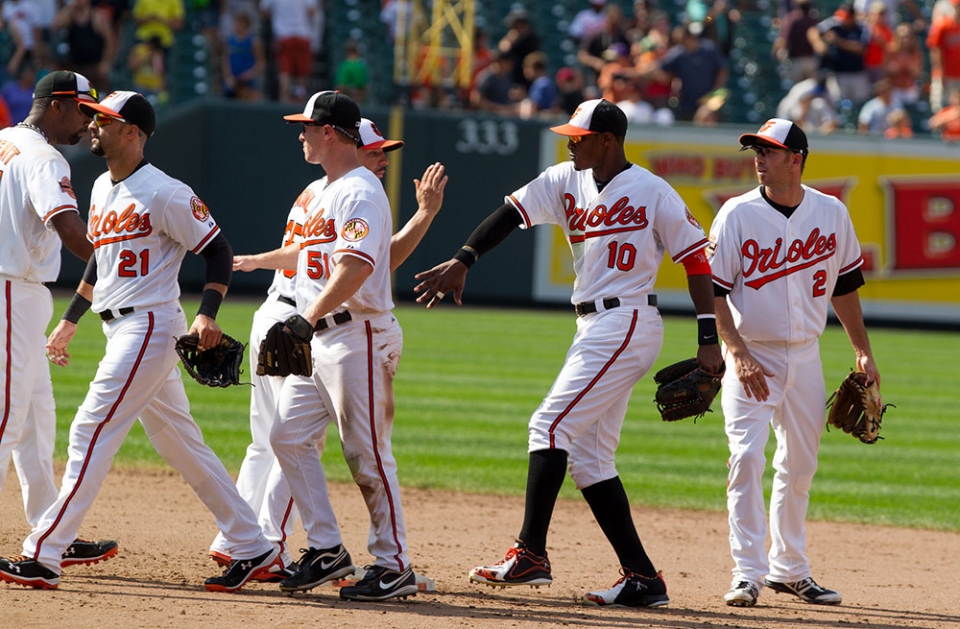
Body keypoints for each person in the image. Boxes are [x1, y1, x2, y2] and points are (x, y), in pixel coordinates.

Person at [413, 99, 723, 607]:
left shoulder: (653, 191)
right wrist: (464, 258)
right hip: (593, 324)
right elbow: (509, 214)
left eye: (578, 137)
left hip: (626, 319)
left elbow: (694, 260)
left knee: (548, 427)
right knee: (590, 459)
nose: (569, 142)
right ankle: (642, 578)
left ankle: (531, 553)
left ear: (607, 140)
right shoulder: (565, 178)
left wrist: (708, 337)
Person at [0, 91, 278, 592]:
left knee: (90, 428)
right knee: (181, 443)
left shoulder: (166, 192)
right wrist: (71, 318)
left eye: (105, 120)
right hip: (120, 325)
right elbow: (98, 261)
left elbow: (218, 251)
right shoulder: (104, 186)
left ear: (133, 133)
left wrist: (207, 315)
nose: (93, 126)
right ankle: (254, 545)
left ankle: (44, 552)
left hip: (150, 325)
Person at [207, 115, 447, 588]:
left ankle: (393, 564)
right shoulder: (326, 192)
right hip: (321, 334)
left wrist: (306, 316)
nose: (384, 159)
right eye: (380, 150)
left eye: (307, 128)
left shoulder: (359, 192)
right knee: (287, 437)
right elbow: (321, 258)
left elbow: (359, 267)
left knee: (368, 455)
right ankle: (326, 549)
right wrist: (269, 273)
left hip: (356, 332)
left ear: (330, 134)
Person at [710, 118, 879, 608]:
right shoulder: (737, 214)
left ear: (797, 158)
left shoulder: (831, 213)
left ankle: (790, 569)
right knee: (745, 458)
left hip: (805, 354)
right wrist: (736, 353)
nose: (759, 158)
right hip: (751, 355)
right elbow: (714, 293)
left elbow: (845, 289)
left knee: (800, 464)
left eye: (769, 150)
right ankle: (747, 573)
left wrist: (863, 350)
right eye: (756, 150)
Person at [0, 71, 120, 577]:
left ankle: (50, 530)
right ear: (57, 106)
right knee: (7, 419)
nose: (88, 123)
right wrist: (121, 266)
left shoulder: (5, 139)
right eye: (84, 112)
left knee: (35, 420)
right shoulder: (45, 157)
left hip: (18, 289)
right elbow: (69, 229)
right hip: (12, 290)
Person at [221, 10, 264, 101]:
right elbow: (225, 60)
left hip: (248, 82)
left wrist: (249, 74)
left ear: (245, 25)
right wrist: (228, 77)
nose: (236, 25)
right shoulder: (229, 41)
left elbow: (261, 64)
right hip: (233, 81)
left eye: (238, 23)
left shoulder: (254, 42)